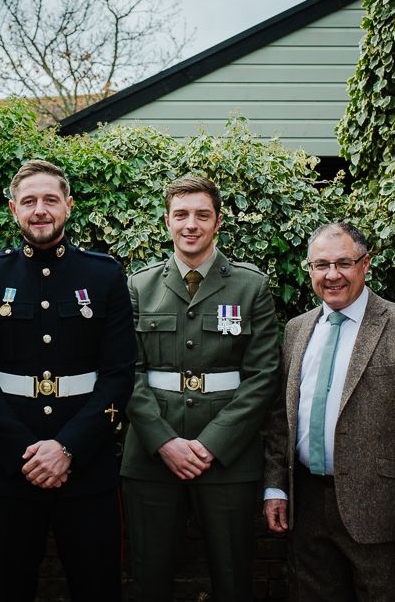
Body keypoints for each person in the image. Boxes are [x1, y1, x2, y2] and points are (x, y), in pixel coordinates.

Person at [0, 159, 136, 602]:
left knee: (97, 588)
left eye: (50, 200)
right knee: (7, 588)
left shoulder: (104, 274)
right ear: (13, 208)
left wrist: (68, 448)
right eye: (30, 201)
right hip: (9, 471)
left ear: (68, 206)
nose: (40, 209)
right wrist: (27, 453)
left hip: (88, 468)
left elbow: (117, 375)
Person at [121, 175, 280, 601]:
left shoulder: (251, 286)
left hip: (228, 457)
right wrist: (165, 442)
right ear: (167, 222)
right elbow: (127, 372)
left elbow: (263, 375)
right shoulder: (140, 285)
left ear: (218, 221)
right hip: (152, 455)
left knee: (233, 577)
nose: (191, 224)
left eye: (202, 215)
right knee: (149, 577)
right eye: (181, 215)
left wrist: (211, 444)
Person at [264, 222, 395, 601]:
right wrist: (276, 486)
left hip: (379, 509)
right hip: (306, 504)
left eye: (344, 263)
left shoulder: (391, 324)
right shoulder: (296, 329)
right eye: (321, 265)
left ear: (365, 264)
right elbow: (281, 417)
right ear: (309, 270)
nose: (332, 275)